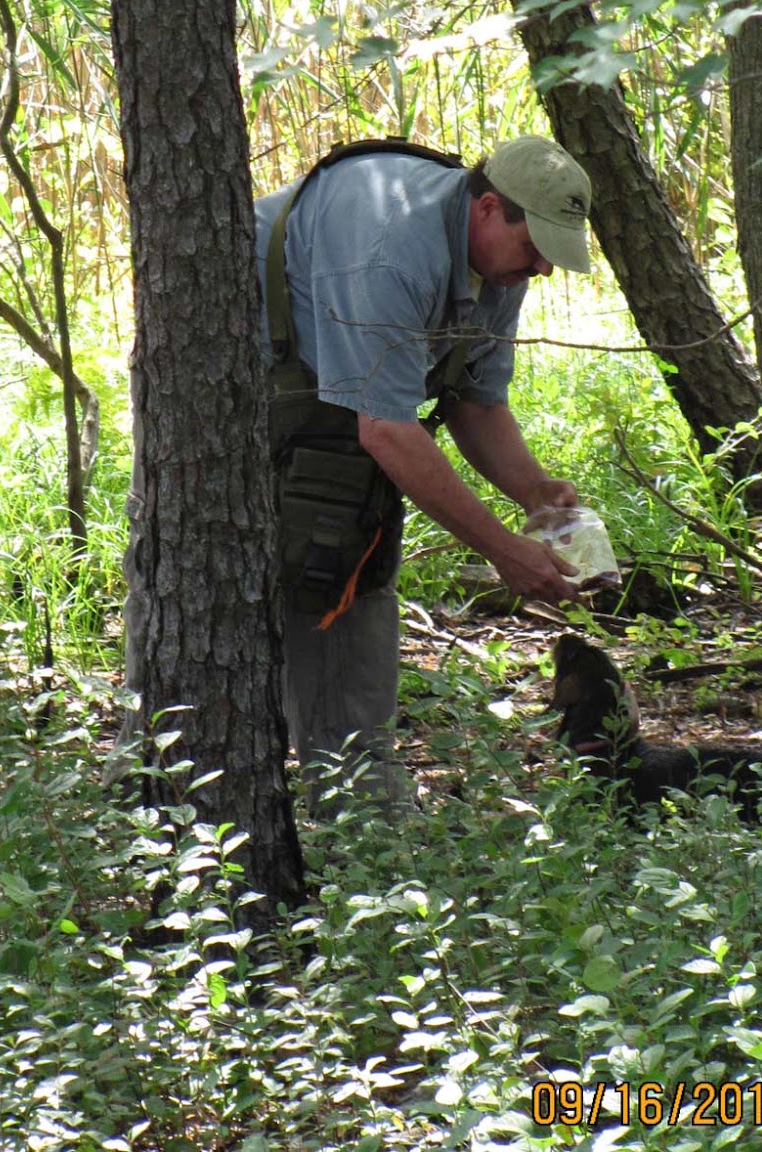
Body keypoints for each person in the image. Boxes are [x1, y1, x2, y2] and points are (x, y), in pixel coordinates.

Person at [254, 135, 593, 807]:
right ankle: (164, 801)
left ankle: (359, 814)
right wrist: (503, 553)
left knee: (342, 576)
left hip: (339, 411)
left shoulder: (496, 268)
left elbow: (474, 398)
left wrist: (532, 493)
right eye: (534, 249)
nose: (541, 271)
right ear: (490, 208)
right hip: (238, 392)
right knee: (215, 607)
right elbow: (385, 429)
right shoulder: (388, 247)